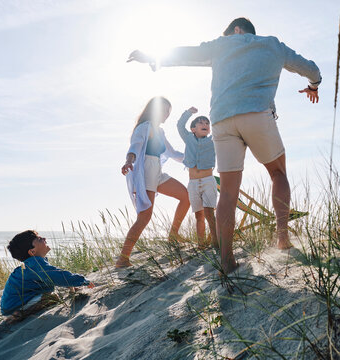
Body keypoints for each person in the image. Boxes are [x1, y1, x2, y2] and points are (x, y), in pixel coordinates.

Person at [127, 18, 321, 274]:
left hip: (223, 121)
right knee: (278, 173)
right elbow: (310, 69)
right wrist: (313, 86)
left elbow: (189, 54)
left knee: (228, 192)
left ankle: (227, 259)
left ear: (237, 30)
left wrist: (153, 57)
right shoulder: (273, 45)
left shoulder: (221, 45)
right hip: (258, 115)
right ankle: (282, 238)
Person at [117, 96, 190, 268]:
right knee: (144, 217)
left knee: (185, 196)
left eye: (168, 112)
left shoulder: (160, 131)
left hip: (158, 171)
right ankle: (123, 258)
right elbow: (134, 147)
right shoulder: (145, 127)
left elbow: (173, 153)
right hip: (147, 171)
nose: (167, 115)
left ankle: (173, 235)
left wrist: (194, 157)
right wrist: (129, 161)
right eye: (165, 111)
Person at [0, 230, 95, 317]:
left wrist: (70, 285)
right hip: (14, 307)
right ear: (32, 251)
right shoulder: (35, 265)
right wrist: (82, 280)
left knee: (51, 295)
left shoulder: (33, 264)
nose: (44, 239)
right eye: (40, 239)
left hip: (12, 305)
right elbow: (58, 276)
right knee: (52, 297)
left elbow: (51, 277)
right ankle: (19, 315)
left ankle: (19, 312)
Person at [177, 107, 218, 248]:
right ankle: (201, 245)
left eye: (207, 123)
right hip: (193, 183)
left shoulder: (213, 140)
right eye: (201, 123)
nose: (205, 125)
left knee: (209, 213)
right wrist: (188, 112)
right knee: (198, 216)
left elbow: (222, 128)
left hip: (208, 181)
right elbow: (179, 125)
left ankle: (216, 241)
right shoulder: (188, 138)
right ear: (193, 129)